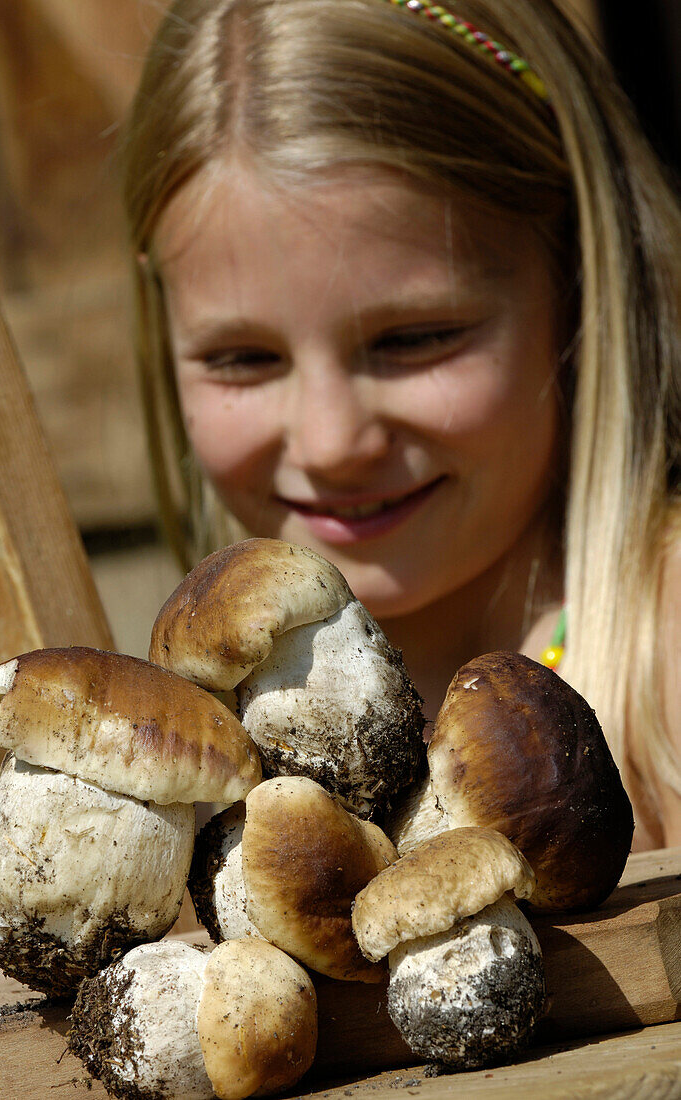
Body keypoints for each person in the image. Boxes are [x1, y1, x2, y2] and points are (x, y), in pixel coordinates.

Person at [121, 0, 680, 849]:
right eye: (243, 358)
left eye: (414, 339)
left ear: (577, 278)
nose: (332, 441)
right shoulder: (192, 758)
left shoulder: (666, 665)